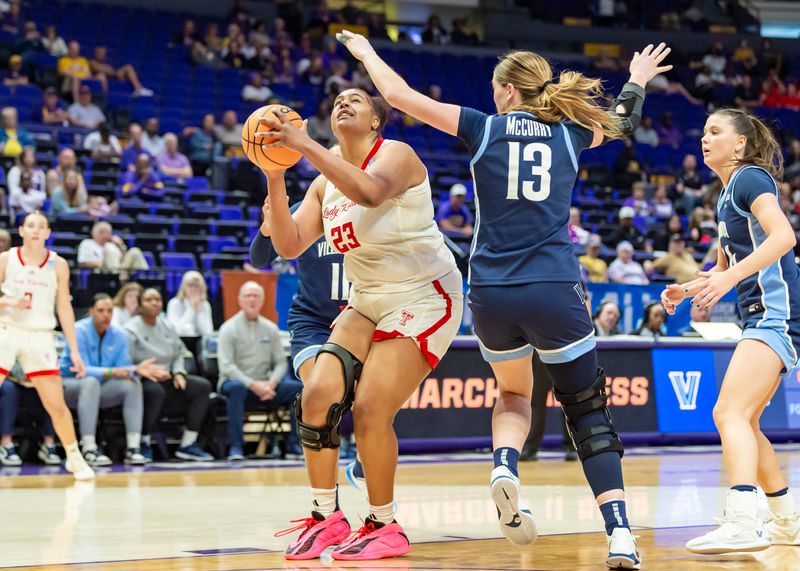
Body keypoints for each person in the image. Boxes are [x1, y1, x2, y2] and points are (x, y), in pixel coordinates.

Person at [339, 29, 671, 567]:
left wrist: (366, 53)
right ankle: (620, 536)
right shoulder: (569, 134)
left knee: (514, 395)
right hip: (554, 288)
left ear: (509, 90)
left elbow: (398, 97)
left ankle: (504, 465)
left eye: (496, 87)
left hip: (491, 292)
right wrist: (636, 79)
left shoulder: (484, 127)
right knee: (587, 414)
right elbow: (625, 122)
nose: (494, 94)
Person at [261, 86, 463, 560]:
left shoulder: (396, 153)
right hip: (368, 297)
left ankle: (384, 524)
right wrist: (275, 173)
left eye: (357, 100)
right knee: (316, 395)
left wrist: (302, 145)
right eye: (337, 102)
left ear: (376, 120)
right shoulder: (320, 180)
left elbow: (369, 192)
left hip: (424, 294)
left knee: (371, 407)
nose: (343, 103)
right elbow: (289, 246)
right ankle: (325, 517)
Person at [662, 108, 800, 554]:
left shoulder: (750, 179)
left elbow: (783, 237)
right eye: (703, 131)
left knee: (728, 413)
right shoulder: (725, 193)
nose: (705, 138)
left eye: (715, 131)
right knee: (748, 420)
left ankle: (743, 518)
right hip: (761, 315)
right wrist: (688, 289)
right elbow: (723, 267)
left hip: (775, 315)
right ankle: (787, 521)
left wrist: (725, 278)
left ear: (739, 144)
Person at [249, 197, 357, 461]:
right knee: (322, 390)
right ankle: (325, 493)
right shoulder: (304, 210)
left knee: (366, 399)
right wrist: (267, 227)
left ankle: (360, 452)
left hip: (359, 319)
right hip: (313, 321)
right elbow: (258, 259)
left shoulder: (369, 204)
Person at [0, 211, 93, 480]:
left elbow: (64, 307)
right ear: (21, 230)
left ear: (48, 232)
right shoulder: (6, 260)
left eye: (41, 226)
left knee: (55, 403)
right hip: (7, 330)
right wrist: (8, 303)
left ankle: (74, 457)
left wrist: (74, 350)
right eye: (31, 225)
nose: (36, 230)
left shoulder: (58, 264)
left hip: (41, 334)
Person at [60, 294, 164, 466]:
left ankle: (133, 448)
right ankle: (89, 448)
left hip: (100, 388)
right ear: (91, 312)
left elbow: (122, 369)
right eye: (101, 311)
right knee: (90, 382)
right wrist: (113, 372)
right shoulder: (78, 330)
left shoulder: (119, 334)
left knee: (132, 384)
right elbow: (82, 370)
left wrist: (135, 370)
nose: (106, 315)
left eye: (109, 311)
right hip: (70, 386)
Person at [125, 288, 214, 462]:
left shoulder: (167, 325)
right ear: (140, 305)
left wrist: (179, 372)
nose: (154, 303)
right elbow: (124, 359)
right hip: (142, 379)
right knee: (155, 391)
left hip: (168, 377)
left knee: (202, 386)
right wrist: (144, 370)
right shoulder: (130, 329)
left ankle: (188, 444)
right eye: (149, 299)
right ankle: (143, 442)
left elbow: (179, 353)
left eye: (157, 299)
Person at [217, 281, 300, 460]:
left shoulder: (270, 329)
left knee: (298, 389)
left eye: (256, 296)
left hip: (266, 385)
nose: (252, 299)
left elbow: (280, 362)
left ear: (262, 300)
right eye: (248, 296)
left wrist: (272, 383)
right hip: (236, 383)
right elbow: (227, 366)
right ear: (240, 300)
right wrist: (253, 385)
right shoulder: (228, 329)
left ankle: (294, 446)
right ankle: (236, 447)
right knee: (236, 388)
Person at [0, 364, 59, 466]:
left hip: (33, 381)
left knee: (50, 389)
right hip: (8, 379)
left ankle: (48, 444)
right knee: (9, 388)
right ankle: (5, 444)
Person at [77, 221, 149, 275]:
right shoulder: (87, 243)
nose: (105, 235)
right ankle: (117, 277)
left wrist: (121, 246)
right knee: (109, 248)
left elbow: (123, 261)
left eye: (107, 232)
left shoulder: (114, 245)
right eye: (101, 232)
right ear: (93, 233)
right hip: (100, 273)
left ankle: (146, 280)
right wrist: (103, 262)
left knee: (135, 251)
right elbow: (82, 262)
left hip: (121, 270)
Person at [166, 271, 214, 338]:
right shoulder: (174, 303)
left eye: (197, 286)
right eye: (190, 285)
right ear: (184, 287)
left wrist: (198, 310)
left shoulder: (205, 304)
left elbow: (207, 332)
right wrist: (191, 309)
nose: (194, 289)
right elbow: (176, 331)